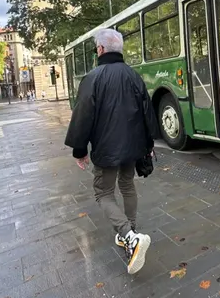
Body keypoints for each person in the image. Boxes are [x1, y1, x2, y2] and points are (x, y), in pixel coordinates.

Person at [65, 29, 159, 275]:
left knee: (103, 193)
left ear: (100, 50)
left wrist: (79, 149)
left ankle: (129, 236)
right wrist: (149, 145)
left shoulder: (93, 78)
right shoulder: (133, 76)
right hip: (134, 147)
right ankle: (131, 231)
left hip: (106, 149)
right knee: (127, 185)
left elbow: (83, 115)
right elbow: (147, 112)